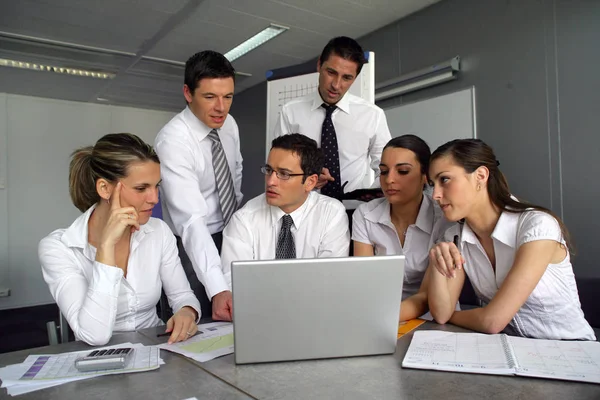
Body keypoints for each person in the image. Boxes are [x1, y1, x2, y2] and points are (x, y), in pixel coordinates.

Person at [39, 133, 201, 346]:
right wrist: (106, 248)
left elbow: (182, 296)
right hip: (98, 360)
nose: (154, 198)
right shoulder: (58, 247)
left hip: (157, 349)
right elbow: (94, 335)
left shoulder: (159, 231)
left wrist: (187, 312)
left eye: (156, 186)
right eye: (141, 188)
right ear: (105, 188)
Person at [427, 138, 595, 340]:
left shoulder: (538, 226)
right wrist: (436, 259)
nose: (435, 194)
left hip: (570, 350)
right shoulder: (454, 236)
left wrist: (454, 316)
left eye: (444, 179)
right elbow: (441, 313)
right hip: (513, 351)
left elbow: (492, 322)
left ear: (480, 176)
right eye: (432, 184)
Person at [154, 50, 242, 322]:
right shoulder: (173, 141)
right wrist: (217, 288)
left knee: (239, 318)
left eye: (227, 97)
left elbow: (235, 174)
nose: (221, 107)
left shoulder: (229, 125)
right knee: (199, 322)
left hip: (230, 235)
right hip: (190, 241)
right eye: (210, 97)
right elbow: (191, 222)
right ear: (188, 93)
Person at [220, 134, 349, 284]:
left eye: (284, 174)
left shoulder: (331, 214)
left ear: (310, 182)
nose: (271, 181)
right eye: (268, 170)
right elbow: (234, 284)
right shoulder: (244, 219)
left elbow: (331, 279)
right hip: (259, 306)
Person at [273, 36, 391, 200]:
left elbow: (386, 169)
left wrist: (369, 199)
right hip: (304, 206)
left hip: (354, 210)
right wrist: (306, 178)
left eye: (347, 78)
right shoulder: (291, 112)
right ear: (319, 65)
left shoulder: (372, 115)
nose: (336, 85)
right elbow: (279, 166)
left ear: (355, 78)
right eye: (331, 72)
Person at [352, 135, 455, 321]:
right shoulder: (365, 214)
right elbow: (364, 281)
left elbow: (426, 297)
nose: (389, 179)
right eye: (383, 171)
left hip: (434, 317)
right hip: (377, 313)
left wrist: (377, 319)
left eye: (403, 171)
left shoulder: (444, 217)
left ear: (425, 176)